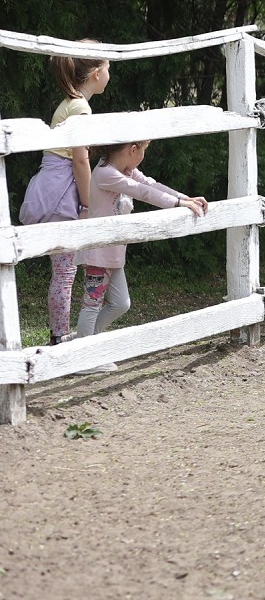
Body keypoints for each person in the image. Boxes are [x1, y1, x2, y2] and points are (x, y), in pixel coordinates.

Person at [74, 141, 208, 366]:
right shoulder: (106, 173)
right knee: (92, 305)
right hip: (97, 253)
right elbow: (142, 192)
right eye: (144, 150)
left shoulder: (125, 171)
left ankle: (81, 340)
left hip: (113, 253)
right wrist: (177, 203)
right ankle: (83, 359)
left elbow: (150, 184)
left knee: (121, 303)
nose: (144, 155)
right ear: (133, 149)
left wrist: (186, 199)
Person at [18, 45, 112, 345]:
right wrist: (87, 204)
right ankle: (59, 338)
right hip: (62, 194)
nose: (109, 74)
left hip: (53, 186)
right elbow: (80, 161)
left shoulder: (69, 104)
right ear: (95, 74)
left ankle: (58, 335)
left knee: (63, 270)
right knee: (65, 272)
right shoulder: (81, 108)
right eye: (108, 68)